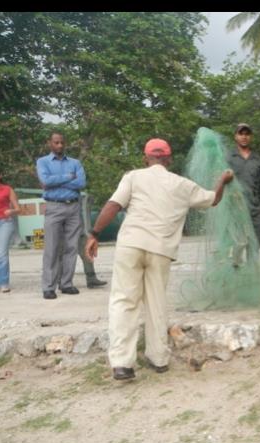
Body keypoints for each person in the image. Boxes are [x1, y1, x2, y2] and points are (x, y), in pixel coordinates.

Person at [85, 138, 234, 381]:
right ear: (169, 159)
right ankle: (159, 359)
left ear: (146, 158)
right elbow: (213, 199)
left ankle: (122, 364)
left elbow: (113, 205)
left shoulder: (133, 177)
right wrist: (222, 181)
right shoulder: (182, 184)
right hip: (161, 250)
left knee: (124, 301)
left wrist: (94, 234)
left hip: (131, 245)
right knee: (156, 303)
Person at [36, 132, 87, 299]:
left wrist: (56, 181)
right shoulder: (42, 162)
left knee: (71, 247)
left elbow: (81, 183)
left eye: (62, 143)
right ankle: (48, 287)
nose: (59, 145)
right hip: (54, 207)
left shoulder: (75, 163)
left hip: (73, 207)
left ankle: (66, 284)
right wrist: (68, 177)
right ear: (49, 143)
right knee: (51, 248)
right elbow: (45, 181)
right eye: (56, 142)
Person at [226, 123, 260, 264]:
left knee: (257, 238)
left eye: (247, 134)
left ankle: (252, 269)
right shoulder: (229, 157)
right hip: (235, 207)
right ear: (235, 136)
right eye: (241, 134)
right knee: (238, 242)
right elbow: (221, 179)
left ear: (250, 137)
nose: (244, 137)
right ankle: (236, 267)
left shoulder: (257, 159)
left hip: (254, 208)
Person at [55, 192, 108, 288]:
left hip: (80, 231)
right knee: (63, 257)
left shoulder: (79, 196)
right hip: (65, 233)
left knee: (87, 253)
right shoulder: (59, 196)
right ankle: (61, 281)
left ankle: (91, 279)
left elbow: (84, 211)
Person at [0, 171, 20, 292]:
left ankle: (3, 283)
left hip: (4, 222)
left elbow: (18, 209)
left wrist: (11, 211)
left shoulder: (7, 189)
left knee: (1, 254)